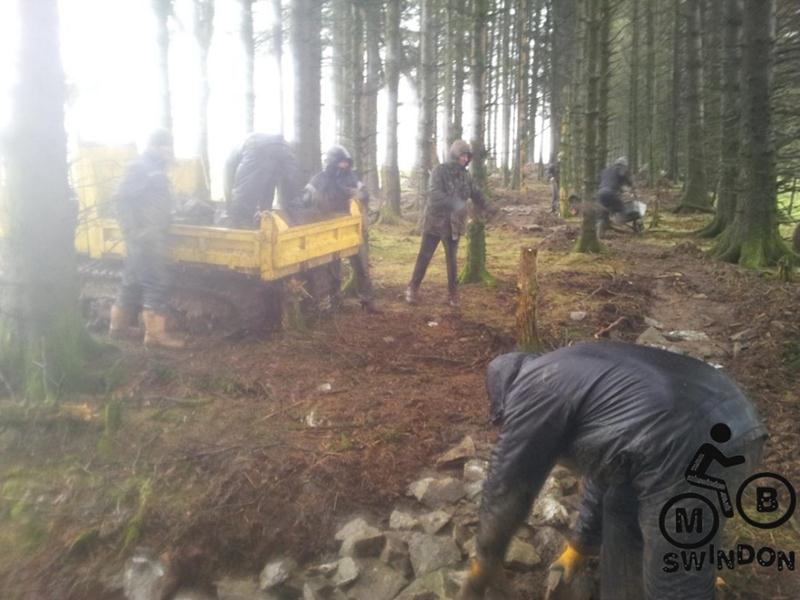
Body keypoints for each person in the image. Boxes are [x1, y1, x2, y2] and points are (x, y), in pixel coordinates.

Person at [458, 342, 766, 600]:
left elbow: (509, 479)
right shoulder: (571, 370)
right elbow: (610, 463)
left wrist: (486, 557)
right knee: (621, 504)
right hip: (736, 421)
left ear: (505, 397)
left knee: (675, 585)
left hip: (688, 448)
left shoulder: (534, 386)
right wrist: (582, 544)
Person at [108, 129, 185, 348]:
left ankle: (118, 328)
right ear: (153, 147)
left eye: (170, 146)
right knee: (156, 282)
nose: (168, 150)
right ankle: (155, 337)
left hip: (148, 234)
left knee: (131, 282)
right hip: (147, 237)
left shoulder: (154, 169)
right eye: (164, 146)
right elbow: (120, 200)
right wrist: (135, 231)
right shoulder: (141, 168)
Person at [406, 140, 487, 308]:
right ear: (455, 155)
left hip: (454, 225)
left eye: (467, 156)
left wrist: (490, 207)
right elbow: (434, 195)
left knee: (452, 261)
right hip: (435, 222)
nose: (465, 159)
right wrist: (455, 203)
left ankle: (453, 293)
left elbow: (477, 193)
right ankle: (413, 288)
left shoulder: (466, 176)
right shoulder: (439, 171)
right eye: (462, 156)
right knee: (424, 256)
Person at [300, 145, 376, 312]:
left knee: (361, 266)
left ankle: (367, 301)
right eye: (341, 162)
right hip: (332, 229)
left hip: (355, 228)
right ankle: (336, 302)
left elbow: (365, 193)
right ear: (332, 162)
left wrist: (355, 193)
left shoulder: (352, 178)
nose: (344, 165)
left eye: (346, 162)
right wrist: (310, 199)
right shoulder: (319, 179)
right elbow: (305, 197)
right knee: (333, 267)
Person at [224, 133, 299, 228]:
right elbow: (268, 185)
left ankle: (246, 238)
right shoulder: (240, 151)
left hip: (257, 147)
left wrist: (231, 212)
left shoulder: (230, 160)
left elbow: (231, 192)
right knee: (292, 204)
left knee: (241, 211)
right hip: (286, 148)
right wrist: (264, 210)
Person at [595, 156, 634, 237]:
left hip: (600, 193)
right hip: (610, 193)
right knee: (621, 207)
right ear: (623, 165)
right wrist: (630, 184)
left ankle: (600, 233)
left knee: (603, 214)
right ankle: (618, 222)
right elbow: (625, 179)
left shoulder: (605, 170)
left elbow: (602, 181)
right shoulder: (620, 169)